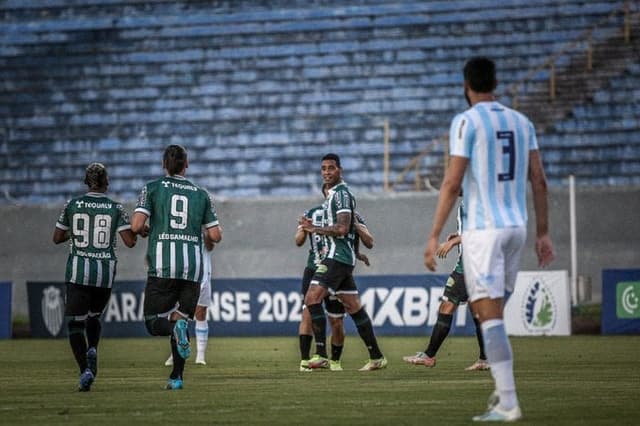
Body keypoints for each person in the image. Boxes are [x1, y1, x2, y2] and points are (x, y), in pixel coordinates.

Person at [424, 57, 555, 422]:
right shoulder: (521, 122)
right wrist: (543, 232)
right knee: (491, 312)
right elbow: (539, 180)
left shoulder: (466, 121)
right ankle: (502, 389)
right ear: (495, 83)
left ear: (466, 86)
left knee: (488, 316)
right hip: (518, 228)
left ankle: (508, 401)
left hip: (484, 231)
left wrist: (434, 235)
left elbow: (452, 183)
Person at [131, 144, 222, 390]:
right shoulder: (201, 193)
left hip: (162, 266)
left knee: (152, 321)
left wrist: (148, 230)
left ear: (164, 164)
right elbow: (215, 234)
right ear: (187, 164)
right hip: (192, 268)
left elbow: (137, 225)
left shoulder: (151, 188)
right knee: (180, 318)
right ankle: (176, 377)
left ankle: (177, 331)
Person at [53, 163, 137, 391]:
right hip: (104, 274)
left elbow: (57, 237)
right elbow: (130, 242)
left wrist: (78, 233)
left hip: (78, 273)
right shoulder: (115, 208)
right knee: (94, 316)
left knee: (74, 324)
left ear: (85, 181)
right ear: (106, 181)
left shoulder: (72, 205)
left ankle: (85, 370)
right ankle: (93, 348)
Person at [301, 153, 386, 371]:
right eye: (323, 169)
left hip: (337, 257)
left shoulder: (341, 195)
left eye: (331, 168)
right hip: (342, 257)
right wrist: (357, 253)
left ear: (340, 170)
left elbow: (341, 229)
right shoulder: (333, 198)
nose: (327, 172)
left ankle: (320, 354)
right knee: (354, 308)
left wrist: (314, 229)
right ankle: (377, 357)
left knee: (312, 298)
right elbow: (346, 231)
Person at [295, 186, 374, 372]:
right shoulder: (312, 213)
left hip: (336, 268)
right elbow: (298, 240)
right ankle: (306, 361)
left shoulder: (350, 215)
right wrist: (305, 229)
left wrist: (356, 245)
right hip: (314, 268)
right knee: (307, 311)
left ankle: (334, 361)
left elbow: (369, 241)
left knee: (336, 320)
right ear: (325, 194)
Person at [404, 197, 488, 371]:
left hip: (469, 264)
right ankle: (485, 359)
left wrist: (453, 242)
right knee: (477, 311)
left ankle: (429, 355)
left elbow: (481, 232)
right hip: (479, 263)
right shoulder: (471, 200)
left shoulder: (475, 201)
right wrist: (458, 236)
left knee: (447, 306)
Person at [165, 233, 215, 366]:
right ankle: (175, 352)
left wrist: (207, 235)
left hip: (202, 274)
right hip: (181, 273)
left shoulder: (204, 223)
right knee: (176, 313)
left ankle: (200, 355)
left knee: (201, 312)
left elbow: (211, 246)